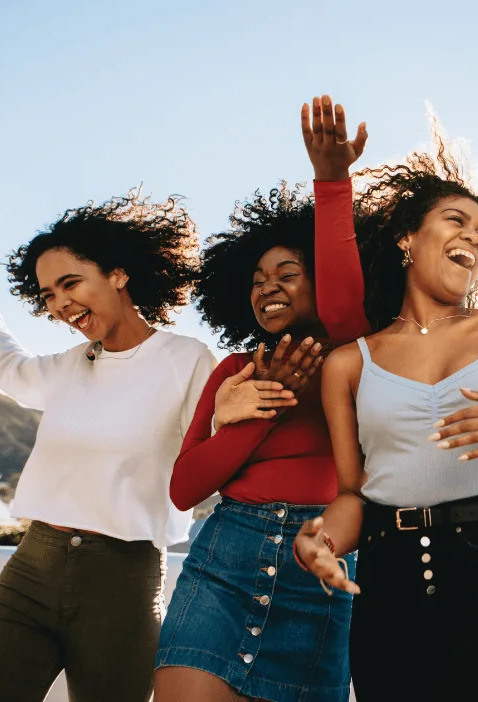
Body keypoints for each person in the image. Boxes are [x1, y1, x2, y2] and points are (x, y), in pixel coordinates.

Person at [294, 135, 478, 702]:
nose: (473, 237)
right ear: (407, 238)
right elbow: (350, 495)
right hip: (387, 575)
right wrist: (321, 544)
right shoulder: (349, 363)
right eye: (457, 220)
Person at [0, 192, 215, 702]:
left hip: (121, 580)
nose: (60, 302)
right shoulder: (70, 365)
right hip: (32, 567)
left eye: (70, 282)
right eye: (48, 294)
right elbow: (9, 367)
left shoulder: (186, 360)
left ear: (118, 275)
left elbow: (212, 456)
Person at [153, 96, 370, 702]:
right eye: (255, 280)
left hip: (320, 567)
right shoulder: (231, 370)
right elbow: (184, 487)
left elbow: (347, 300)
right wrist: (263, 410)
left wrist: (332, 183)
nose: (267, 285)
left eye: (287, 272)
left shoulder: (349, 355)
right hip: (224, 560)